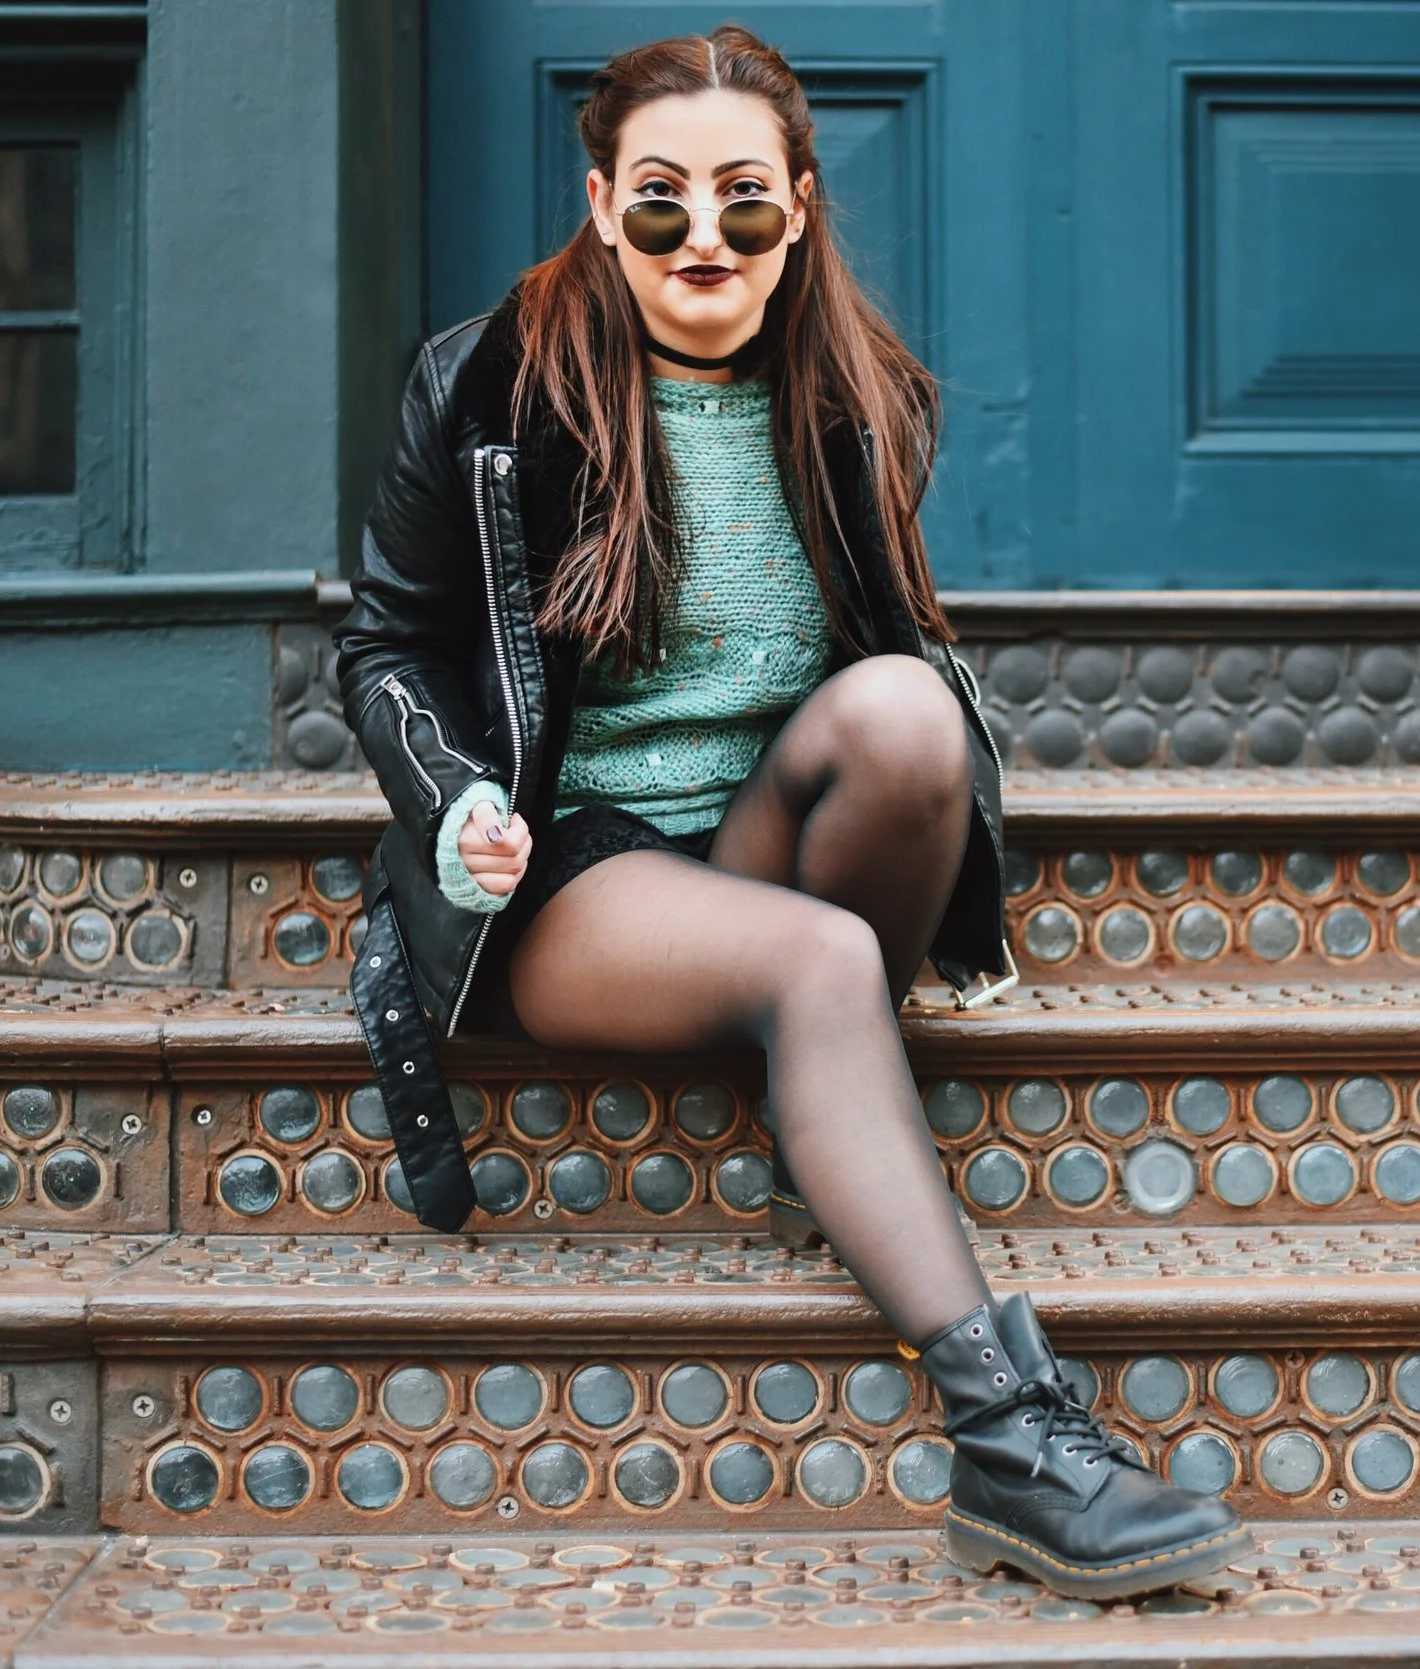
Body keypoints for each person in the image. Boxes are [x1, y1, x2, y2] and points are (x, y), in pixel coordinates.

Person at [332, 24, 1246, 1600]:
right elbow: (386, 644)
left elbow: (887, 647)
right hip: (575, 865)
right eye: (663, 199)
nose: (705, 237)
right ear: (601, 204)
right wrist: (459, 796)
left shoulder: (858, 392)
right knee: (822, 960)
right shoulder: (489, 384)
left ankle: (831, 1110)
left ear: (801, 207)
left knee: (910, 717)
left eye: (744, 201)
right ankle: (1014, 1445)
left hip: (762, 830)